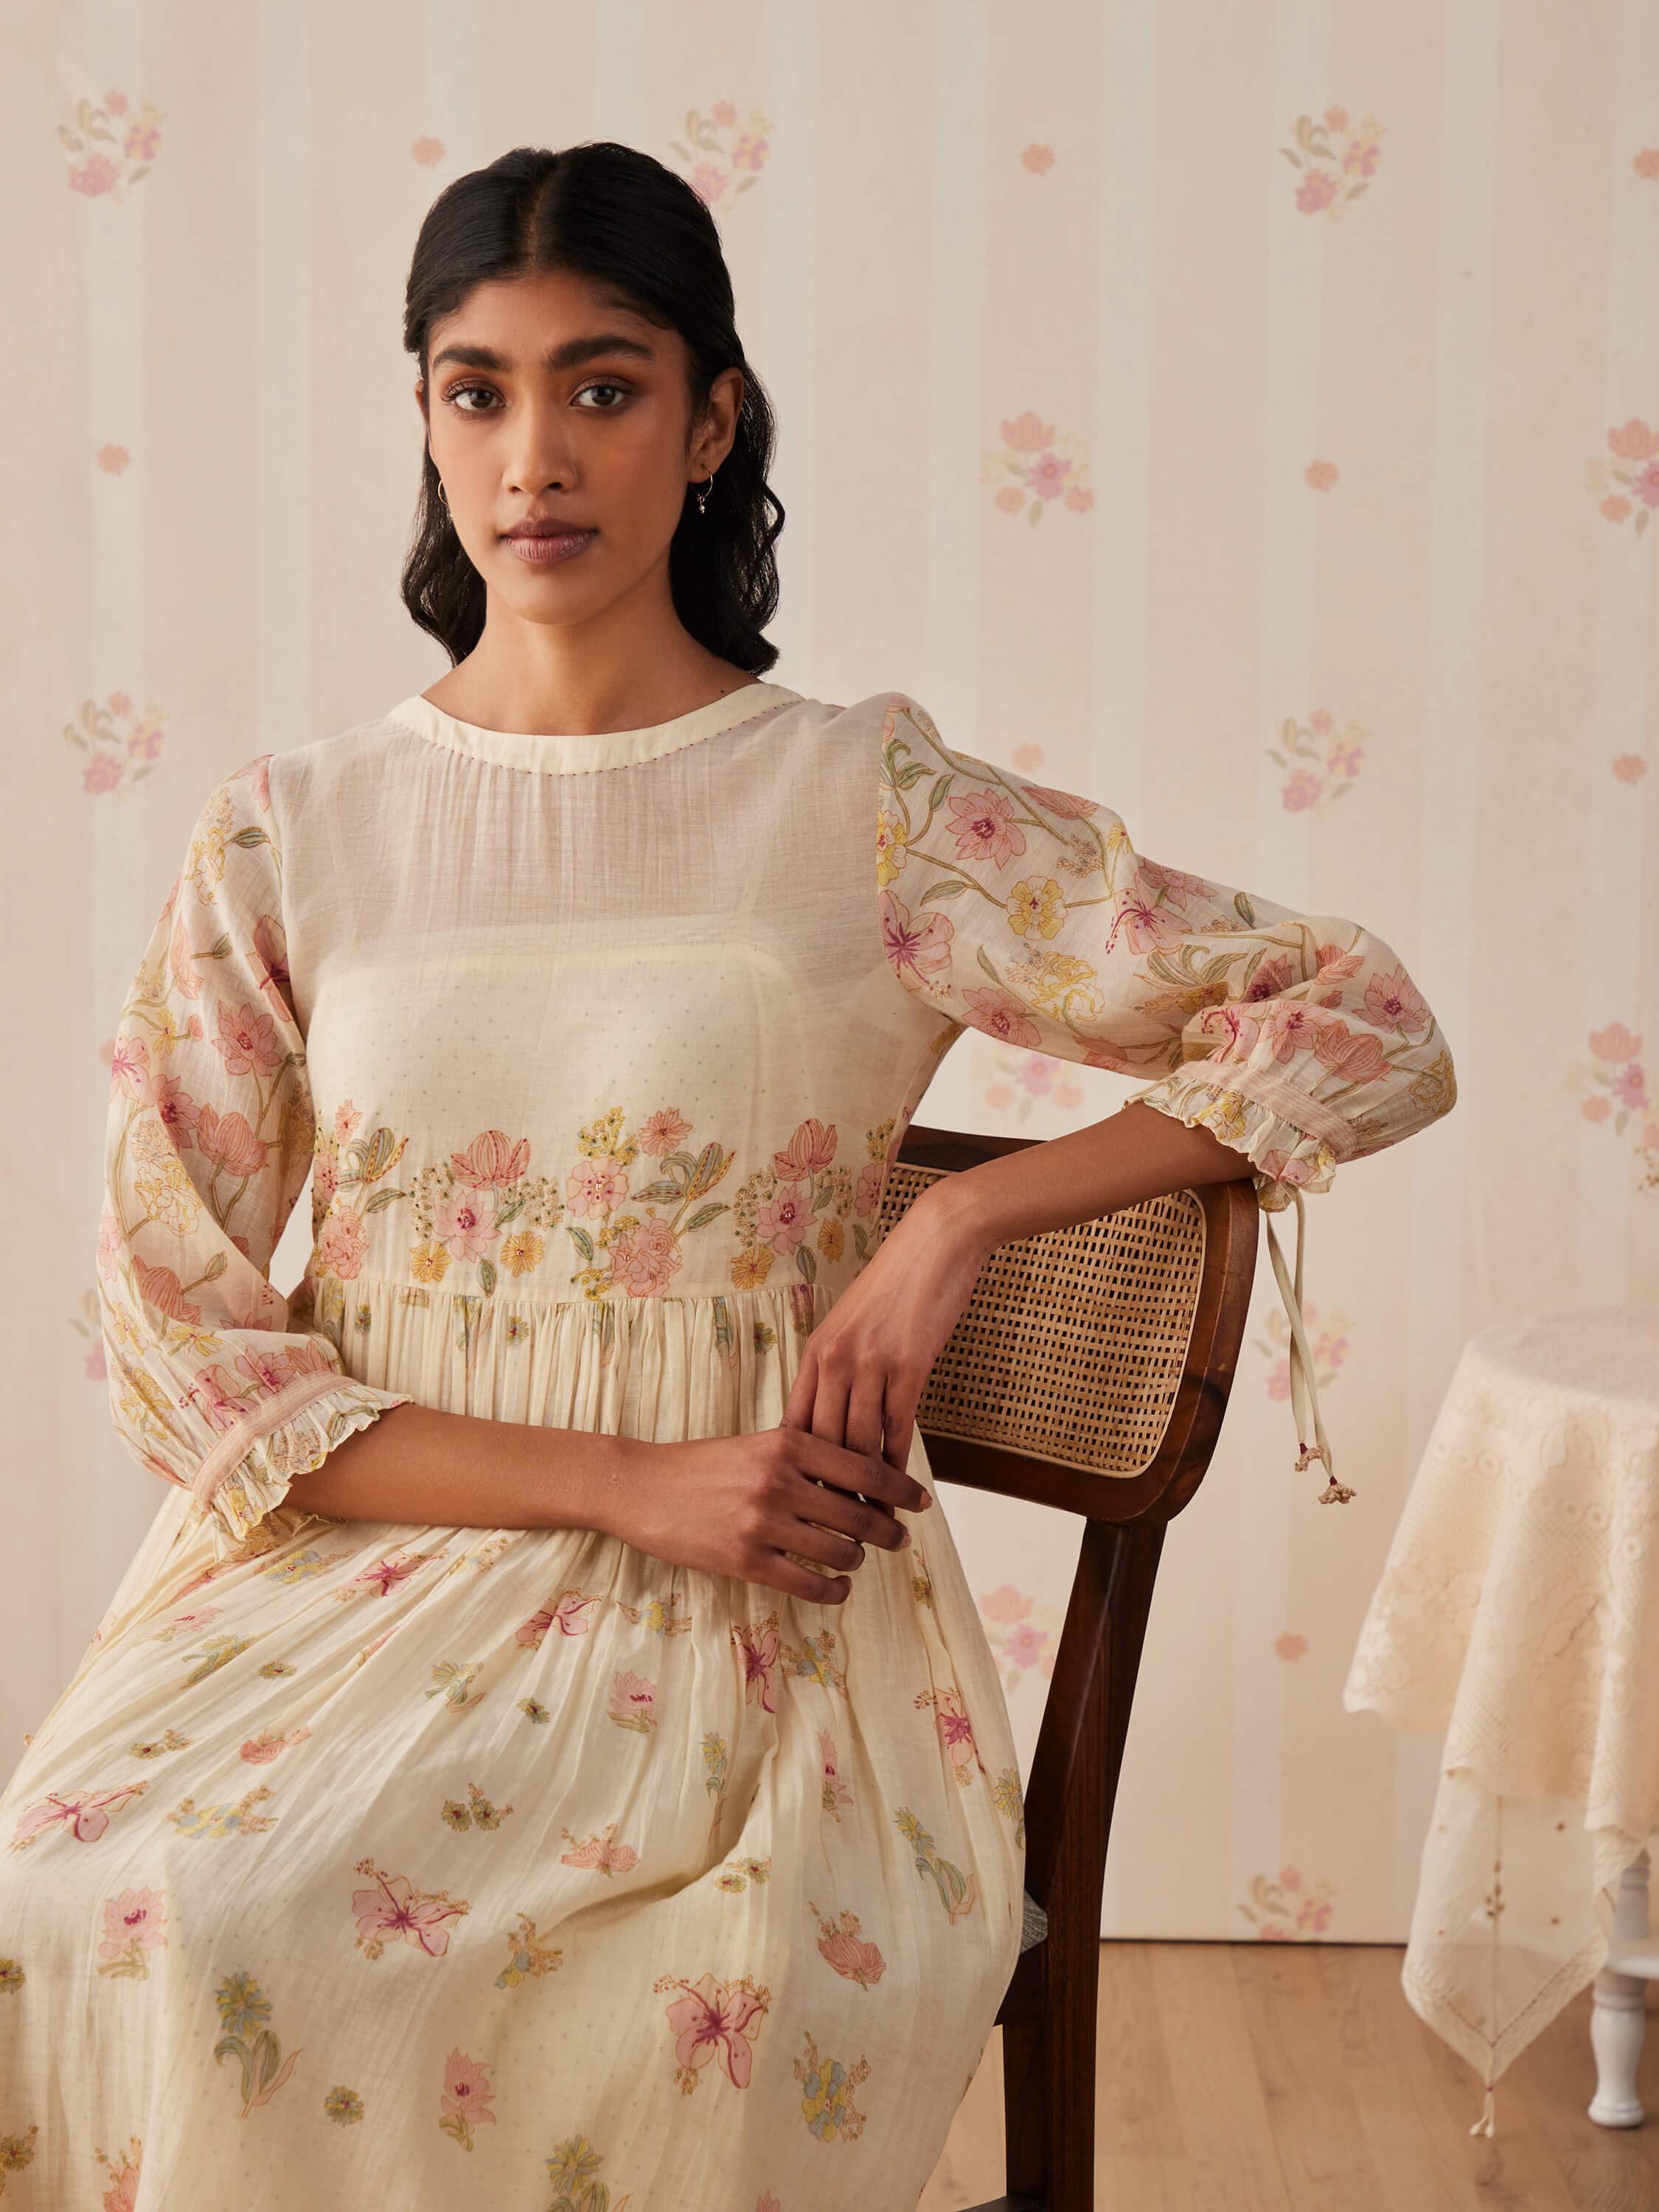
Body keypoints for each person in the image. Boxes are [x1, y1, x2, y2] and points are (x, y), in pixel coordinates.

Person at [0, 139, 1455, 2209]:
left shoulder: (858, 804)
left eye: (601, 385)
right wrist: (615, 1479)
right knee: (128, 1897)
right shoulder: (287, 834)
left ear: (710, 422)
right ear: (424, 417)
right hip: (357, 1576)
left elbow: (1358, 1015)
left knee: (646, 1976)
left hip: (752, 1623)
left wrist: (957, 1211)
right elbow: (170, 1330)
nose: (534, 454)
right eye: (474, 388)